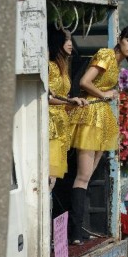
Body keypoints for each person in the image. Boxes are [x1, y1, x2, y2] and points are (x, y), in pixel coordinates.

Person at [68, 25, 128, 245]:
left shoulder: (117, 62)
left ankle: (80, 229)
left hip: (103, 119)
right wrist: (105, 94)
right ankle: (75, 233)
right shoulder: (105, 54)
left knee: (88, 176)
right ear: (120, 39)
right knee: (82, 176)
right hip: (92, 115)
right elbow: (85, 82)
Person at [47, 27, 87, 191]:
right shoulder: (48, 66)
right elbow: (46, 97)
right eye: (66, 40)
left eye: (71, 40)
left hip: (62, 125)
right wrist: (68, 102)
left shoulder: (62, 67)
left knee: (54, 176)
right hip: (51, 125)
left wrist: (71, 104)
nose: (71, 44)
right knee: (48, 175)